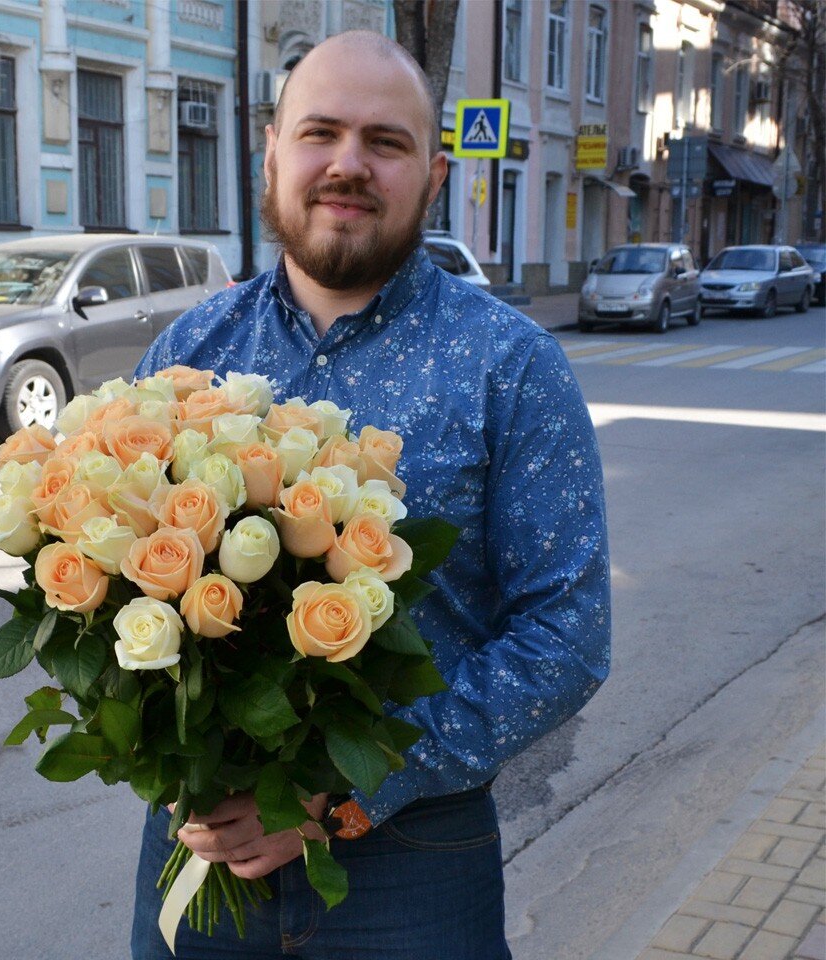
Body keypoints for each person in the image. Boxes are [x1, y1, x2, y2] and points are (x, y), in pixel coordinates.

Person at [131, 30, 610, 960]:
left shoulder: (509, 366)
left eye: (384, 143)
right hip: (202, 849)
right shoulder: (189, 354)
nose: (348, 164)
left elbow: (567, 637)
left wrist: (346, 790)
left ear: (431, 177)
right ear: (270, 151)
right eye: (321, 133)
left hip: (411, 865)